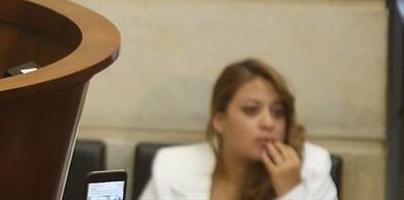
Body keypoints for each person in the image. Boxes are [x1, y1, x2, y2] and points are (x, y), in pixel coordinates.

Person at [140, 59, 338, 200]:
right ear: (220, 121)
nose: (269, 123)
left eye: (278, 112)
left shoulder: (312, 167)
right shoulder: (173, 166)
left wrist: (293, 192)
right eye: (251, 110)